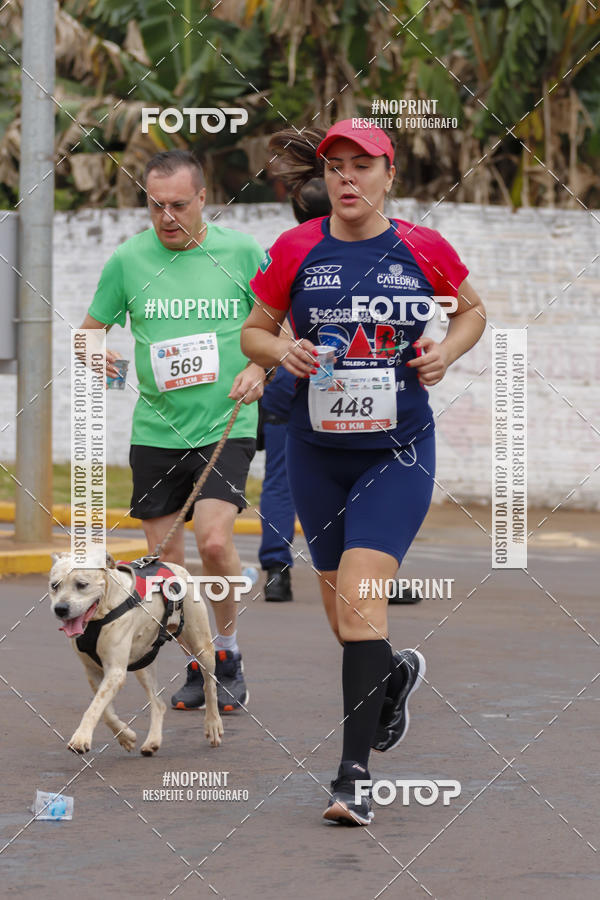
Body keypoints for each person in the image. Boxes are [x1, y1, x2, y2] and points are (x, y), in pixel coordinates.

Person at [241, 119, 486, 825]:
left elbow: (471, 312)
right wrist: (277, 352)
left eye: (362, 165)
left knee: (358, 601)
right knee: (346, 616)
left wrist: (447, 352)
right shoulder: (297, 248)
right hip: (318, 455)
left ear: (389, 175)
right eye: (336, 167)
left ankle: (353, 777)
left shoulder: (422, 246)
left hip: (397, 453)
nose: (347, 178)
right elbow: (253, 330)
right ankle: (394, 675)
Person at [80, 150, 266, 714]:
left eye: (179, 205)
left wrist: (261, 366)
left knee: (213, 542)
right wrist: (102, 358)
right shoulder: (129, 259)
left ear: (204, 198)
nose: (166, 216)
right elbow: (88, 333)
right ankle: (198, 659)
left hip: (225, 423)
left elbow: (278, 324)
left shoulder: (241, 252)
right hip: (156, 431)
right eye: (156, 205)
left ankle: (227, 653)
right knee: (169, 568)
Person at [259, 178, 332, 603]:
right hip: (347, 375)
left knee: (281, 479)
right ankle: (374, 575)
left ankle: (276, 571)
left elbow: (264, 324)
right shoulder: (363, 247)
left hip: (289, 372)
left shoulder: (286, 248)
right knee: (361, 474)